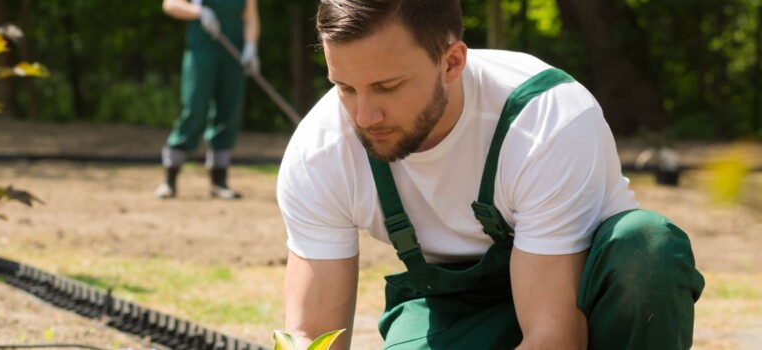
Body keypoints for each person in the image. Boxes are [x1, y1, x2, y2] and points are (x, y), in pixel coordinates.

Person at [278, 1, 704, 349]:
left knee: (648, 248)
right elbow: (312, 336)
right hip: (455, 308)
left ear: (452, 62)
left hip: (585, 295)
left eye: (388, 87)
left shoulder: (546, 121)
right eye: (345, 87)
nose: (364, 115)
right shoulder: (319, 153)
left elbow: (555, 337)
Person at [157, 0, 259, 199]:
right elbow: (170, 5)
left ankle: (219, 182)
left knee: (229, 113)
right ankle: (169, 179)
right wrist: (198, 12)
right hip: (201, 52)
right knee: (195, 109)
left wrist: (251, 46)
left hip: (234, 54)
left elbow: (251, 17)